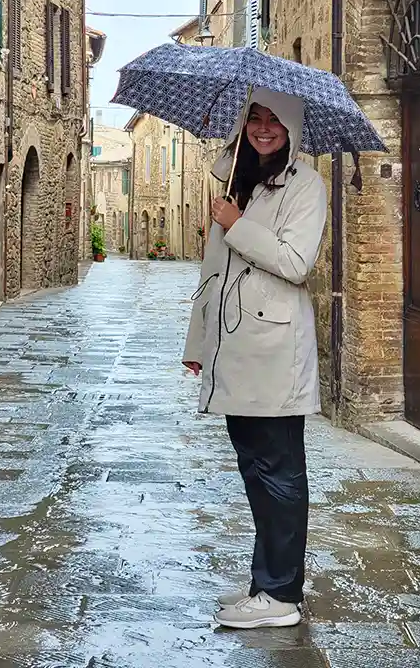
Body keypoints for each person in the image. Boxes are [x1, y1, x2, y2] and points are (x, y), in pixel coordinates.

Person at [182, 88, 327, 630]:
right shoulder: (240, 180)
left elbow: (295, 262)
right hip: (235, 347)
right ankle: (265, 584)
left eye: (274, 121)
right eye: (254, 119)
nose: (264, 129)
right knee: (256, 469)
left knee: (280, 471)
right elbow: (213, 273)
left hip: (272, 350)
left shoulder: (306, 186)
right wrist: (199, 344)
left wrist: (236, 223)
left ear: (292, 129)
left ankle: (280, 593)